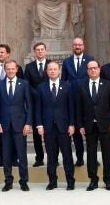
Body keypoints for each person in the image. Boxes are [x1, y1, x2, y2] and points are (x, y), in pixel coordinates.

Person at [76, 60, 110, 191]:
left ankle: (108, 179)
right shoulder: (81, 85)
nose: (93, 70)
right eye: (90, 68)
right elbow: (79, 107)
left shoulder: (108, 85)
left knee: (107, 153)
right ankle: (93, 179)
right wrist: (80, 125)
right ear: (87, 71)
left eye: (95, 68)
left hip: (105, 124)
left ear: (99, 69)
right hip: (88, 125)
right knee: (91, 153)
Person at [35, 61, 75, 191]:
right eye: (50, 69)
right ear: (47, 72)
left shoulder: (68, 86)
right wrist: (39, 125)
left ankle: (70, 181)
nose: (52, 71)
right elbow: (38, 108)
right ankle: (52, 181)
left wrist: (72, 124)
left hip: (64, 127)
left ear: (59, 71)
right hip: (48, 127)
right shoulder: (41, 87)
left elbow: (71, 108)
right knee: (51, 156)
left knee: (67, 155)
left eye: (55, 69)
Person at [0, 60, 33, 192]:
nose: (10, 71)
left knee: (22, 154)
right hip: (4, 126)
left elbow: (29, 105)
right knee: (6, 155)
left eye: (12, 69)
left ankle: (23, 181)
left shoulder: (24, 84)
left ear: (16, 69)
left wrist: (28, 123)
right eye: (8, 69)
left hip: (20, 125)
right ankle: (8, 181)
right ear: (5, 70)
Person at [0, 44, 24, 167]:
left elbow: (21, 87)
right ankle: (2, 159)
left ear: (8, 54)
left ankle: (14, 159)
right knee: (2, 137)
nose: (0, 54)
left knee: (15, 136)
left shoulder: (17, 68)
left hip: (15, 108)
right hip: (1, 106)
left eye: (2, 52)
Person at [61, 37, 93, 166]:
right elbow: (63, 80)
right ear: (72, 47)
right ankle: (79, 158)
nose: (77, 47)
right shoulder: (67, 62)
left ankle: (92, 158)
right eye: (75, 45)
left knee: (91, 130)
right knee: (76, 132)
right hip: (72, 100)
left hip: (88, 100)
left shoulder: (90, 59)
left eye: (79, 44)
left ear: (83, 46)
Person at [24, 42, 50, 168]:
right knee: (36, 133)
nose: (40, 52)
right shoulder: (29, 67)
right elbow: (26, 84)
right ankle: (39, 158)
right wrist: (38, 93)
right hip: (34, 104)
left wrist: (44, 92)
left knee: (50, 131)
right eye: (37, 50)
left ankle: (52, 156)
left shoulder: (51, 65)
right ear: (35, 52)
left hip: (50, 103)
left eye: (42, 49)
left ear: (45, 51)